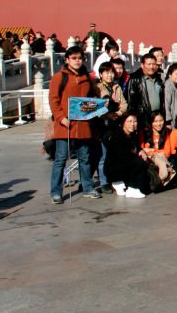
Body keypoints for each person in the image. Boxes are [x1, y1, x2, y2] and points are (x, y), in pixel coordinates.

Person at [48, 46, 103, 203]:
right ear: (67, 60)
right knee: (60, 158)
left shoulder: (87, 78)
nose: (77, 61)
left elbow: (92, 97)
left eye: (79, 58)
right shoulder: (60, 77)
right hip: (65, 124)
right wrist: (60, 117)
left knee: (85, 158)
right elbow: (53, 99)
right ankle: (56, 192)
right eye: (74, 58)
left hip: (83, 124)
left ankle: (87, 187)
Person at [95, 61, 128, 193]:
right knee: (103, 155)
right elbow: (95, 107)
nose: (109, 75)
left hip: (116, 123)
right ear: (101, 74)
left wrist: (118, 113)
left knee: (115, 154)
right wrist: (107, 115)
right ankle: (103, 182)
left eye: (111, 72)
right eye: (106, 72)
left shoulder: (117, 87)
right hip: (102, 125)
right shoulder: (97, 88)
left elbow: (124, 104)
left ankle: (115, 179)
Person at [104, 113, 154, 198]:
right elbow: (121, 156)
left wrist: (141, 151)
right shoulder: (118, 136)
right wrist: (137, 156)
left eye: (135, 121)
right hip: (115, 168)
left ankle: (130, 185)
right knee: (139, 162)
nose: (133, 124)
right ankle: (132, 188)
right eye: (129, 121)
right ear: (123, 122)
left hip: (124, 164)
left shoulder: (132, 134)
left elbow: (136, 147)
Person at [126, 53, 164, 128]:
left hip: (157, 119)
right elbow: (131, 102)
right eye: (149, 64)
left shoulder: (158, 79)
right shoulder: (135, 79)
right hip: (142, 118)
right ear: (142, 65)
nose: (151, 67)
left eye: (153, 64)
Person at [140, 111, 174, 188]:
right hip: (148, 160)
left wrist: (151, 151)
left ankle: (156, 182)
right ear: (150, 122)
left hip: (161, 158)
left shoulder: (166, 132)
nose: (159, 124)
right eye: (155, 121)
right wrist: (158, 152)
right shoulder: (145, 133)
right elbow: (142, 149)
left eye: (161, 121)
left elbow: (167, 152)